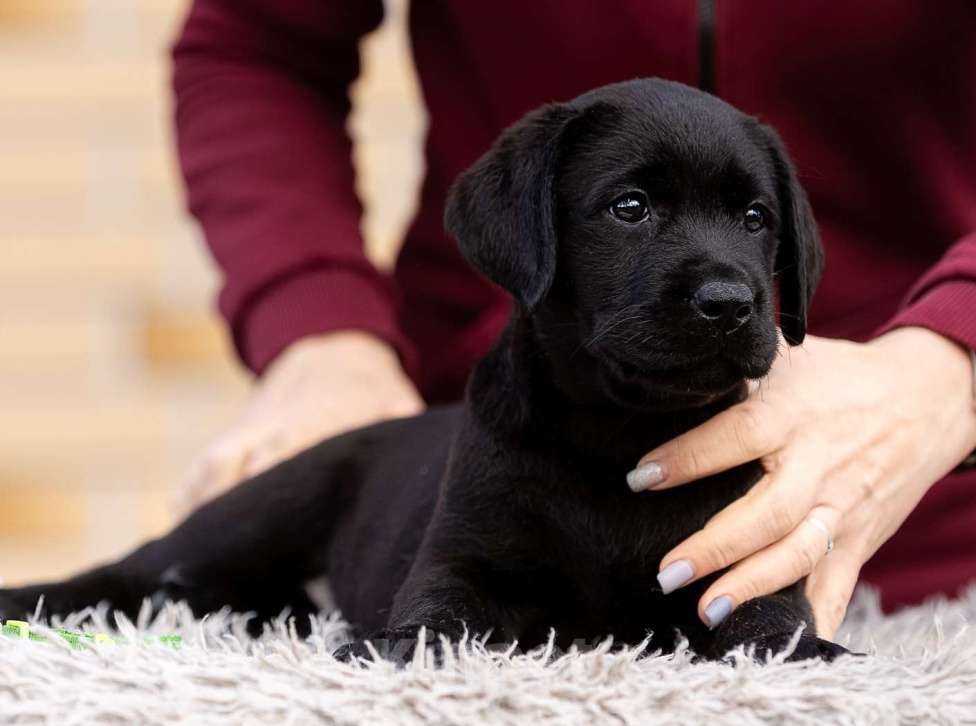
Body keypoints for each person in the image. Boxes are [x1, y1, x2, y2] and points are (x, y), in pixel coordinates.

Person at [170, 1, 976, 638]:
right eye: (632, 207)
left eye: (753, 219)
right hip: (488, 449)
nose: (725, 281)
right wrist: (320, 330)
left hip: (925, 535)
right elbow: (257, 41)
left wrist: (949, 357)